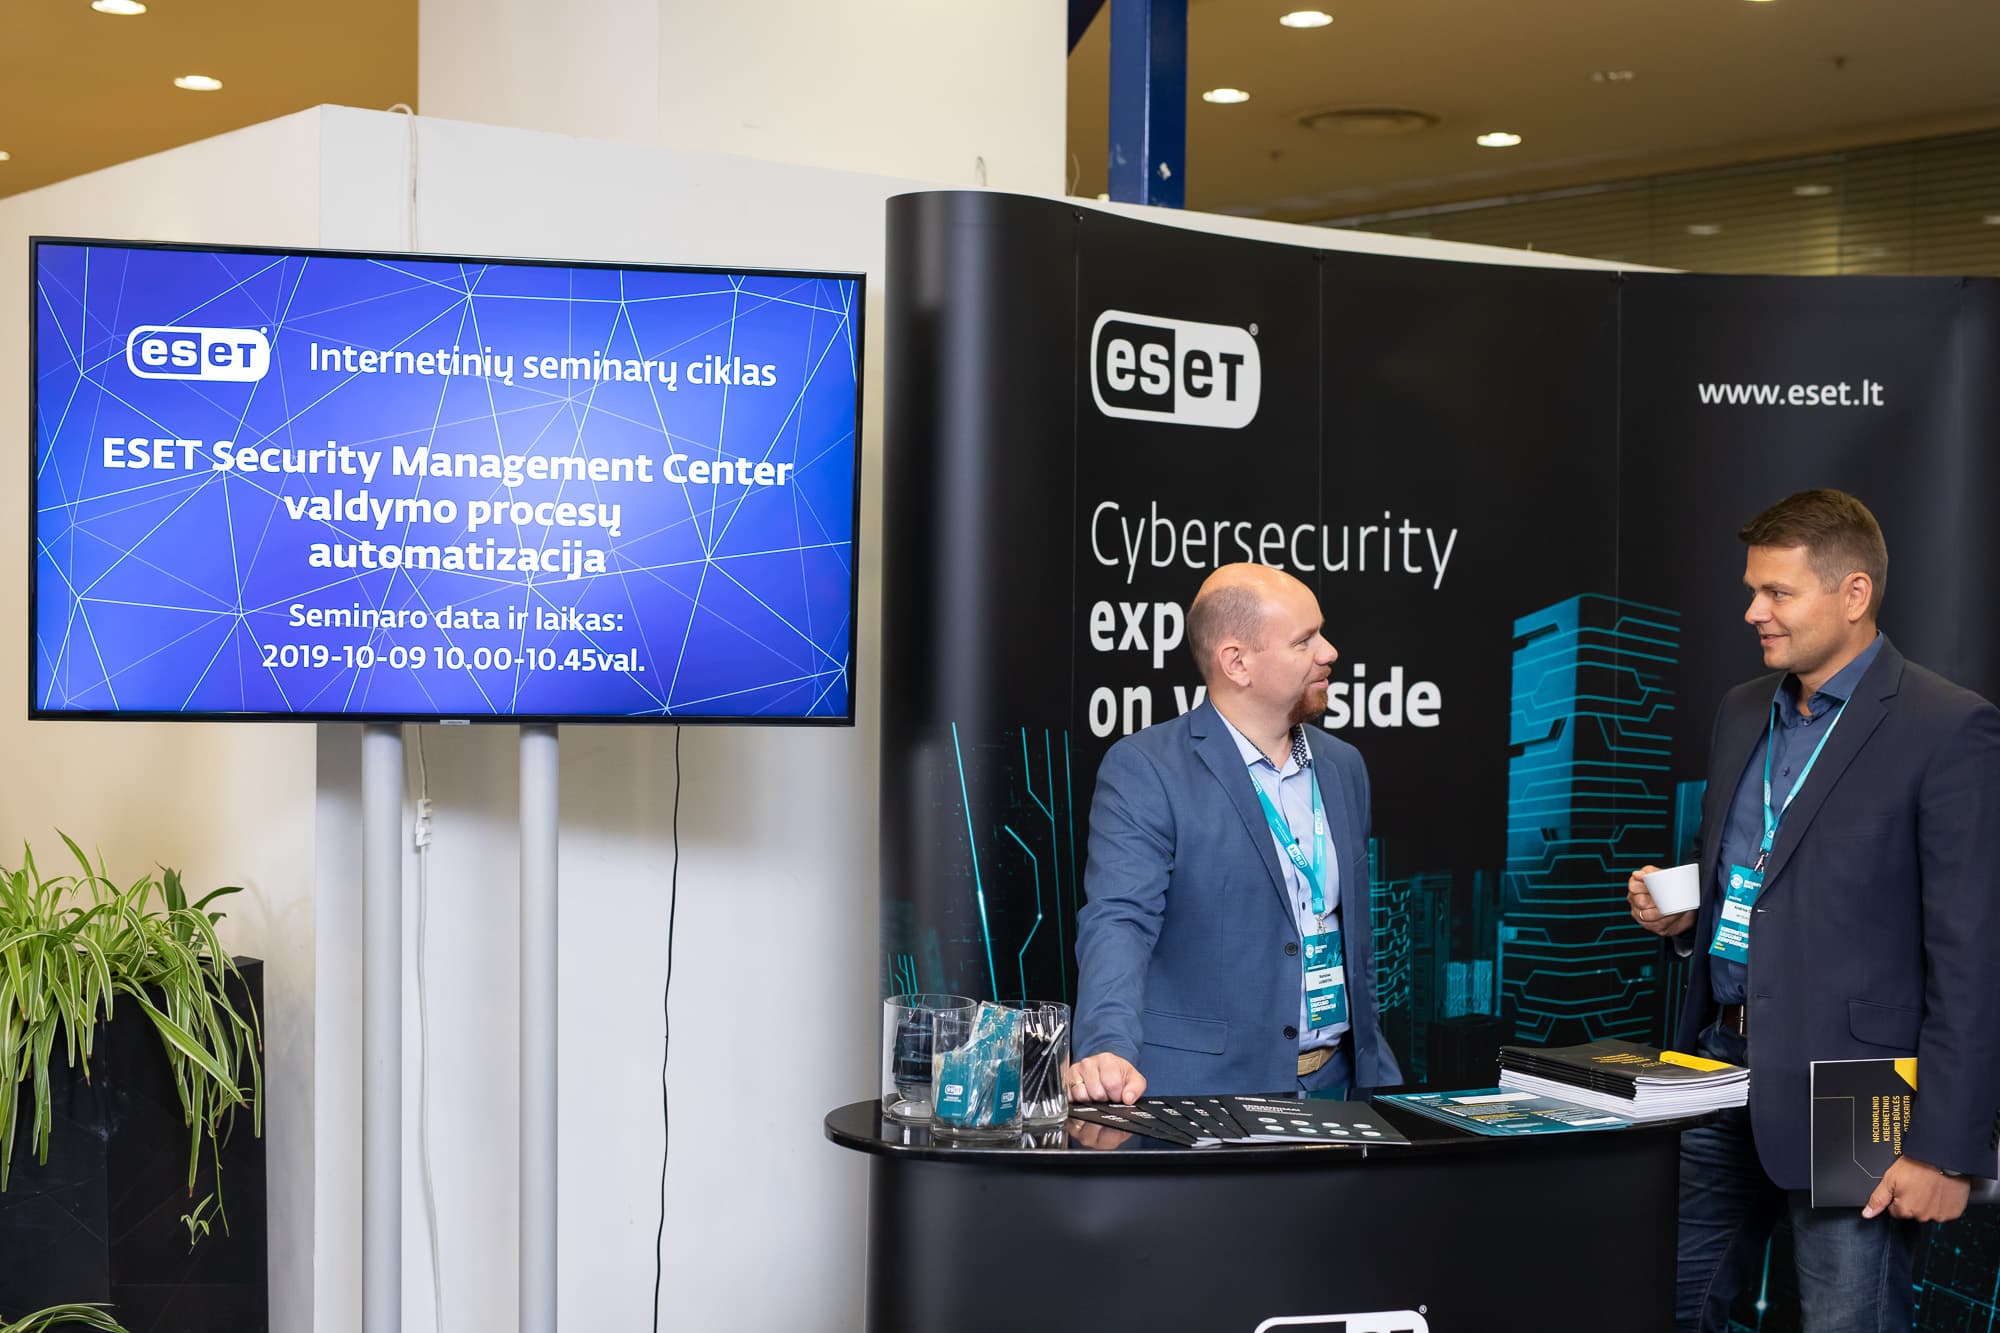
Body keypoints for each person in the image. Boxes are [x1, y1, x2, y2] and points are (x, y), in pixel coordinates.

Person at [1626, 489, 2000, 1333]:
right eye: (1753, 590)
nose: (1753, 611)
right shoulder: (1739, 710)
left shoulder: (1948, 728)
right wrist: (1685, 920)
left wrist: (1945, 1150)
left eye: (1778, 592)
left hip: (1856, 1094)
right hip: (1716, 1069)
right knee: (1663, 1308)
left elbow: (1973, 958)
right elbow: (1757, 876)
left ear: (1854, 594)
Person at [1069, 562, 1403, 1105]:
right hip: (1207, 1101)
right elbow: (1119, 921)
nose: (1329, 652)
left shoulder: (1344, 766)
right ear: (1237, 662)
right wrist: (1106, 1046)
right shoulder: (1147, 769)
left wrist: (1376, 1071)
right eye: (1304, 641)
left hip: (1342, 1089)